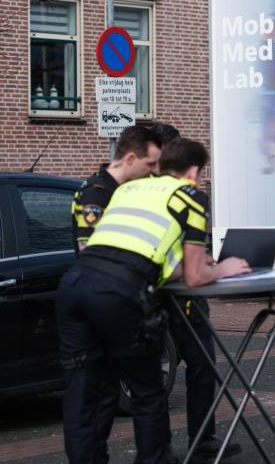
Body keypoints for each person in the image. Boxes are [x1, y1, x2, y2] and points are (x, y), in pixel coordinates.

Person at [57, 139, 252, 463]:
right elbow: (194, 276)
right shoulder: (190, 196)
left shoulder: (126, 191)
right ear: (193, 172)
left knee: (86, 393)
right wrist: (225, 269)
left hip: (74, 287)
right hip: (119, 292)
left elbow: (136, 245)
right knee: (147, 391)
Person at [72, 125, 162, 252]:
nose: (153, 170)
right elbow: (87, 250)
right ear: (130, 159)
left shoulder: (123, 188)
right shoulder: (96, 192)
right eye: (150, 164)